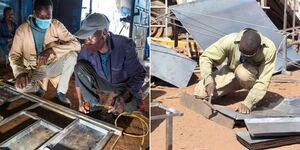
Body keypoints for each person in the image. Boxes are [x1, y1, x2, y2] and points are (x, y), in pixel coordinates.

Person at [9, 0, 81, 104]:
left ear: (52, 14)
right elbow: (14, 55)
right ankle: (38, 88)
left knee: (72, 56)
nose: (45, 20)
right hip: (33, 69)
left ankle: (60, 92)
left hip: (52, 66)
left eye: (48, 17)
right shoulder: (22, 30)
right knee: (20, 87)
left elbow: (77, 44)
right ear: (34, 13)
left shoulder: (56, 25)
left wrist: (51, 50)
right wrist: (20, 73)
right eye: (41, 17)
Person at [73, 13, 146, 114]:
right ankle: (93, 104)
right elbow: (78, 78)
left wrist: (123, 97)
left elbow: (139, 75)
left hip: (122, 85)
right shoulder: (86, 49)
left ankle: (119, 105)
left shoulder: (124, 45)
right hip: (103, 83)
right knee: (79, 67)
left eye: (89, 38)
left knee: (128, 108)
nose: (86, 42)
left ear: (104, 33)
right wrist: (80, 101)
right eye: (85, 39)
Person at [194, 28, 277, 114]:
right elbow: (207, 57)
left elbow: (263, 81)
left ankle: (256, 98)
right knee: (200, 92)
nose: (246, 57)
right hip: (232, 72)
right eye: (243, 53)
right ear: (239, 42)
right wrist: (208, 80)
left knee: (242, 72)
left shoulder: (268, 50)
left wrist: (249, 103)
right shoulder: (230, 41)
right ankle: (226, 90)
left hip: (250, 77)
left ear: (259, 48)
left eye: (250, 55)